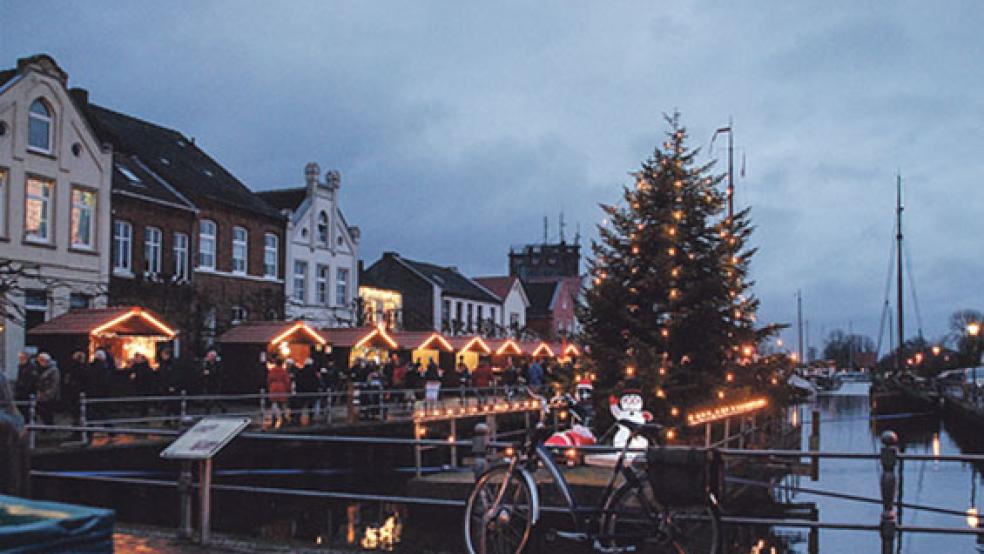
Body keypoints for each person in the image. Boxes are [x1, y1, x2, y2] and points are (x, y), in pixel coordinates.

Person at [35, 352, 61, 426]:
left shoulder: (53, 370)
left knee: (48, 411)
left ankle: (49, 425)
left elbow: (55, 383)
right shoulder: (43, 369)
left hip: (49, 395)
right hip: (42, 394)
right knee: (43, 410)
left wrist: (49, 393)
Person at [62, 350, 87, 423]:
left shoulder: (71, 367)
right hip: (78, 391)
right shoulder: (83, 368)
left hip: (73, 391)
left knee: (75, 411)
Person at [131, 353, 158, 418]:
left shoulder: (144, 368)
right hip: (141, 388)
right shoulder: (139, 366)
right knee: (142, 403)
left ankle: (143, 417)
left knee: (143, 403)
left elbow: (142, 376)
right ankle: (142, 416)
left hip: (143, 388)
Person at [266, 359, 291, 428]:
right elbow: (287, 381)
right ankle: (283, 418)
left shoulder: (272, 371)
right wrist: (288, 389)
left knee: (274, 404)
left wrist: (269, 387)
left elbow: (268, 380)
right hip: (282, 388)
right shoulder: (283, 371)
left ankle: (274, 418)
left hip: (273, 388)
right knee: (282, 404)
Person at [294, 358, 320, 425]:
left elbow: (297, 380)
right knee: (310, 406)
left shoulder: (301, 371)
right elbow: (317, 382)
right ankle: (310, 418)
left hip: (302, 391)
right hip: (311, 391)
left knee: (300, 406)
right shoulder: (314, 372)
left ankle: (297, 418)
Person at [14, 352, 39, 418]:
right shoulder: (20, 366)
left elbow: (32, 380)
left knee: (27, 410)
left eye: (22, 358)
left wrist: (27, 389)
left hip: (27, 392)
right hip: (19, 391)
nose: (20, 359)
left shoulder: (31, 367)